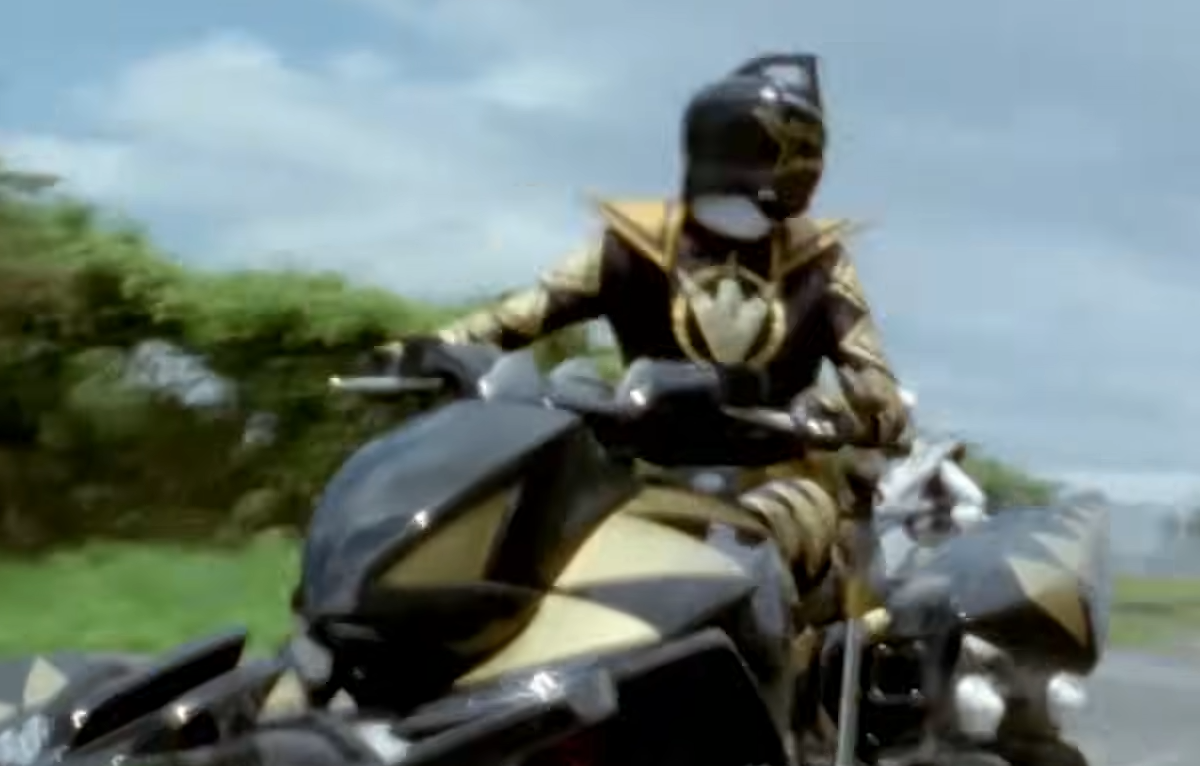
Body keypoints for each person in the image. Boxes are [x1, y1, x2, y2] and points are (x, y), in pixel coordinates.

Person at [376, 52, 913, 611]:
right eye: (796, 145)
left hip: (778, 483)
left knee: (758, 561)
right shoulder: (635, 245)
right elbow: (517, 318)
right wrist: (423, 354)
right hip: (635, 481)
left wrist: (855, 410)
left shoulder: (819, 262)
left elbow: (879, 387)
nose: (810, 164)